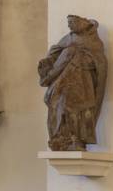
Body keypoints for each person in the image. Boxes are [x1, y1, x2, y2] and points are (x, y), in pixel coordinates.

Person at [38, 15, 107, 151]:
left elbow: (100, 62)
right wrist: (47, 62)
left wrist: (82, 59)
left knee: (78, 109)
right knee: (59, 105)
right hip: (63, 81)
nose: (69, 26)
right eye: (68, 23)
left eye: (72, 23)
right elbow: (55, 52)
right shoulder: (69, 38)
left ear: (81, 23)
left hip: (82, 83)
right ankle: (61, 138)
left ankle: (77, 139)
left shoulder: (94, 41)